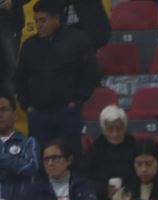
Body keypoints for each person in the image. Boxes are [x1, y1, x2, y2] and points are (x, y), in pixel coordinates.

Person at [15, 0, 100, 161]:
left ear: (56, 18)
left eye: (43, 20)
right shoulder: (29, 45)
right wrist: (27, 105)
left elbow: (91, 72)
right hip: (38, 115)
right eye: (36, 21)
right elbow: (20, 78)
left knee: (70, 159)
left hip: (68, 112)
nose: (38, 25)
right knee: (40, 162)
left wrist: (78, 99)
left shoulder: (79, 40)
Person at [83, 107, 138, 200]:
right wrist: (104, 189)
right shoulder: (95, 149)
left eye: (119, 128)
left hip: (130, 199)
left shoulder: (134, 147)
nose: (115, 133)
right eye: (110, 128)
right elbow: (85, 179)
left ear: (125, 127)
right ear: (103, 129)